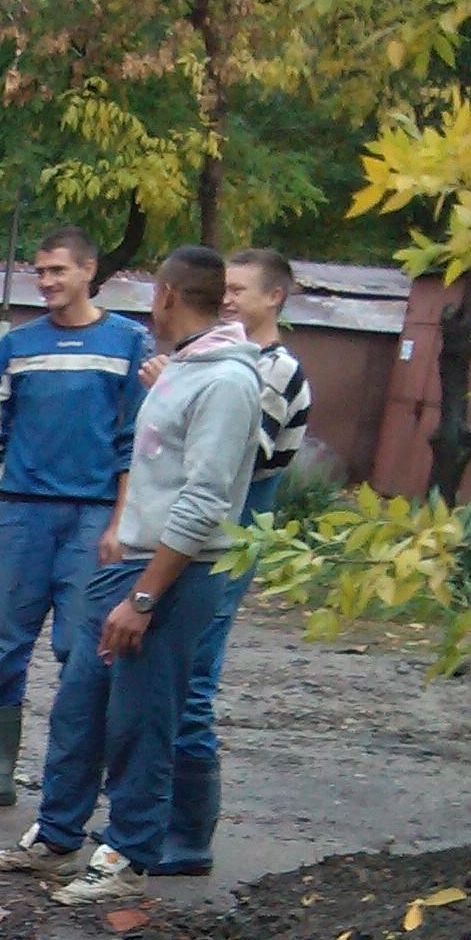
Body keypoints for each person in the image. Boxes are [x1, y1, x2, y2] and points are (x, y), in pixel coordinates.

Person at [0, 246, 265, 905]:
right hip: (134, 560)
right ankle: (57, 839)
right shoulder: (181, 369)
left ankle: (127, 856)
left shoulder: (227, 381)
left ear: (166, 295)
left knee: (143, 718)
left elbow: (204, 501)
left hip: (177, 572)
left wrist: (144, 596)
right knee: (80, 702)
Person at [0, 227, 152, 811]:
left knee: (80, 652)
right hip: (22, 514)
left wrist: (120, 525)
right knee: (5, 645)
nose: (47, 282)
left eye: (58, 270)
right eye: (40, 272)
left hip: (92, 518)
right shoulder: (19, 346)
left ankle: (69, 785)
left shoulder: (129, 342)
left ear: (89, 270)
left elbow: (134, 445)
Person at [153, 247, 312, 873]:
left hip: (232, 533)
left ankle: (189, 837)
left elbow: (242, 458)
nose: (226, 298)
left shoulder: (274, 370)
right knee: (168, 676)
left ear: (275, 297)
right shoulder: (222, 359)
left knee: (193, 682)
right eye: (224, 287)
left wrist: (167, 391)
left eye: (240, 289)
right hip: (195, 531)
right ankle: (156, 821)